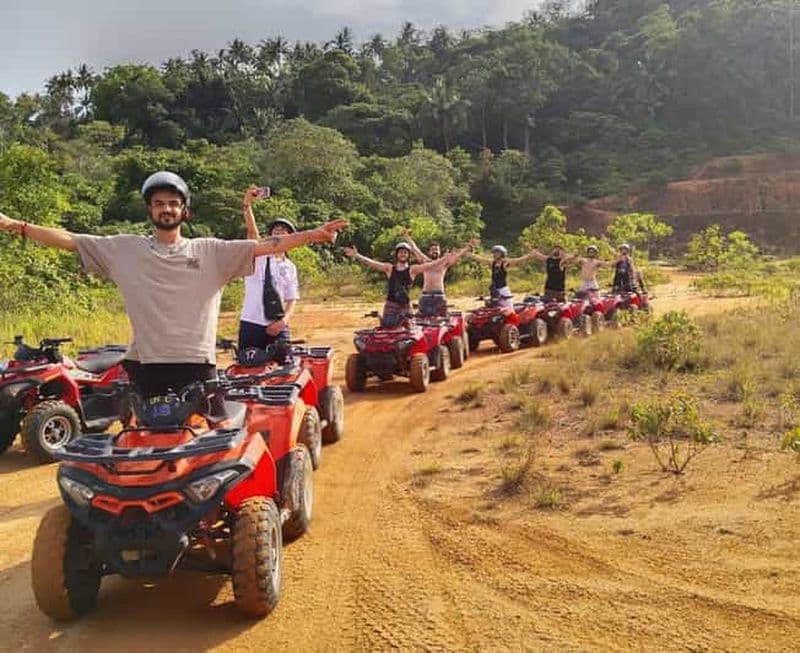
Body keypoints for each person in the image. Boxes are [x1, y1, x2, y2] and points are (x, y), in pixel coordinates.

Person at [0, 171, 346, 400]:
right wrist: (15, 224)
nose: (166, 209)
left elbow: (267, 245)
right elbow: (70, 240)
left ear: (185, 211)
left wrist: (313, 235)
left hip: (197, 364)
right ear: (149, 210)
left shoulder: (210, 251)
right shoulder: (123, 248)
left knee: (201, 454)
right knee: (142, 448)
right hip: (144, 365)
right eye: (159, 203)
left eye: (173, 203)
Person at [238, 187, 299, 359]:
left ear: (291, 238)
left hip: (278, 324)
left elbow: (291, 298)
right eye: (275, 230)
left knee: (284, 370)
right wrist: (247, 205)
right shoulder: (259, 256)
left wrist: (283, 322)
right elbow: (252, 233)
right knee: (248, 369)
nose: (278, 232)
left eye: (283, 230)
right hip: (252, 322)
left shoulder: (290, 266)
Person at [343, 242, 442, 327]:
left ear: (408, 255)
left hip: (406, 306)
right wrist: (357, 255)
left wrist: (444, 259)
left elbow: (430, 265)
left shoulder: (413, 269)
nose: (403, 254)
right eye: (401, 252)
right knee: (387, 328)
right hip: (391, 305)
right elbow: (372, 263)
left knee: (409, 331)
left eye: (405, 252)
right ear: (397, 254)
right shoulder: (389, 268)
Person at [402, 230, 473, 317]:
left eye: (436, 249)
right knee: (421, 320)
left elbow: (457, 255)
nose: (434, 251)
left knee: (442, 321)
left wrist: (467, 247)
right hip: (425, 296)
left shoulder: (444, 262)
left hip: (439, 296)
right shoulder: (424, 261)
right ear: (429, 252)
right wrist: (407, 237)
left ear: (439, 252)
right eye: (432, 250)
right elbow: (415, 248)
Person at [468, 245, 538, 309]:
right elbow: (481, 259)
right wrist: (469, 254)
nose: (495, 254)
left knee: (509, 308)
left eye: (497, 253)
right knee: (495, 309)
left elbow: (518, 260)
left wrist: (529, 256)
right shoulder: (493, 263)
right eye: (494, 253)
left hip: (503, 290)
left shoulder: (504, 263)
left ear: (502, 254)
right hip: (494, 290)